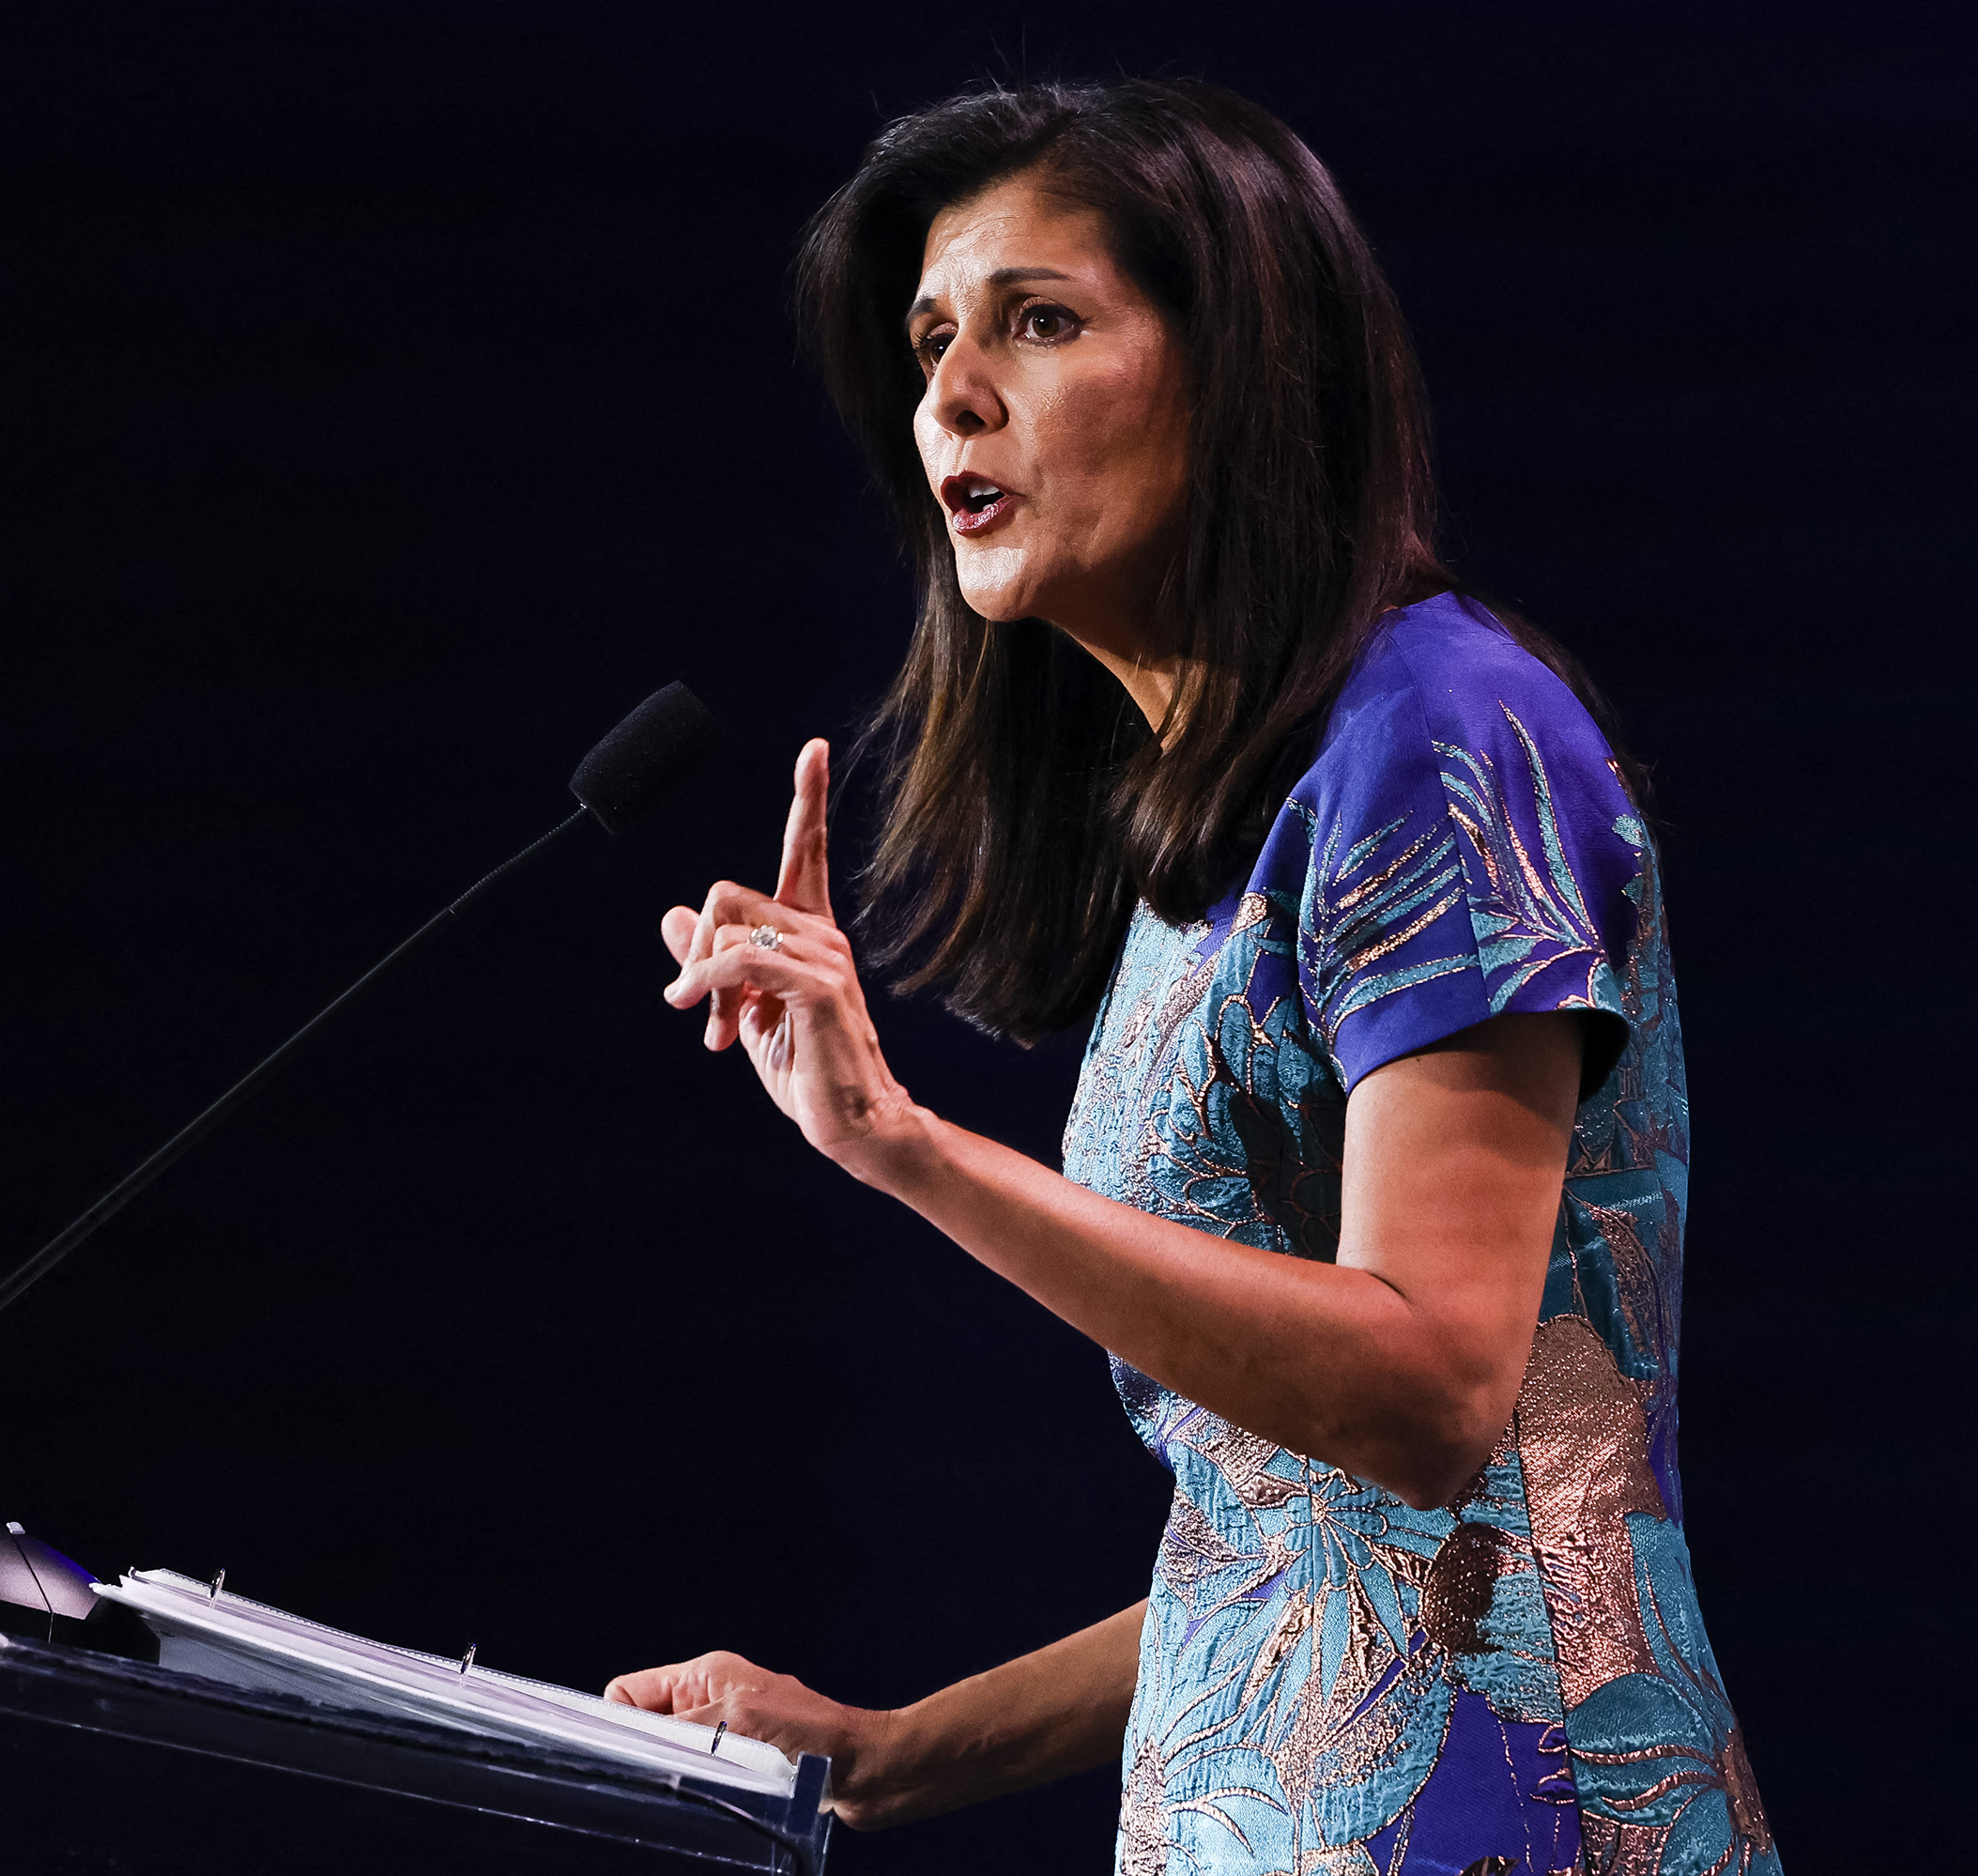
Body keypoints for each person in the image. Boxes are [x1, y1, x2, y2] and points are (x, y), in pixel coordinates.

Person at [603, 81, 1778, 1876]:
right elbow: (1291, 1551)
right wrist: (891, 1751)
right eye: (932, 344)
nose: (952, 398)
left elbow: (1437, 1400)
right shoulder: (1232, 825)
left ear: (1241, 368)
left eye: (1040, 321)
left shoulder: (1439, 732)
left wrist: (906, 1146)